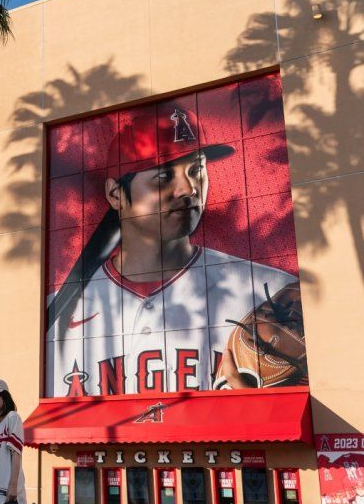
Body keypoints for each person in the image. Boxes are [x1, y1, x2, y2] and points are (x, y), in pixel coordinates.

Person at [47, 109, 301, 395]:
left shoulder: (273, 293)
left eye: (196, 170)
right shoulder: (56, 316)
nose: (188, 188)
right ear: (115, 194)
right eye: (164, 175)